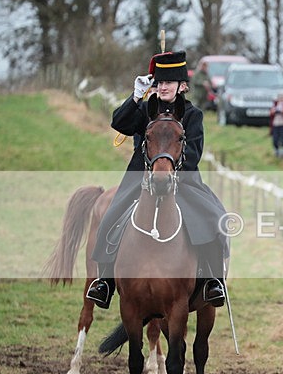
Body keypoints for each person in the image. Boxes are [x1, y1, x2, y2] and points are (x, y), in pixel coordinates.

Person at [86, 50, 228, 309]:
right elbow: (119, 123)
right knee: (110, 218)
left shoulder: (193, 115)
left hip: (182, 180)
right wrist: (135, 96)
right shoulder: (144, 108)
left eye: (168, 82)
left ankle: (212, 280)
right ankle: (104, 282)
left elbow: (194, 153)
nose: (162, 87)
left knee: (214, 218)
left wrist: (168, 172)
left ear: (182, 86)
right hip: (140, 178)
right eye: (159, 82)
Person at [269, 93, 283, 158]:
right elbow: (271, 113)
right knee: (275, 139)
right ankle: (276, 152)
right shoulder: (275, 105)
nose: (281, 99)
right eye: (279, 98)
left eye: (282, 98)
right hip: (275, 124)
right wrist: (273, 111)